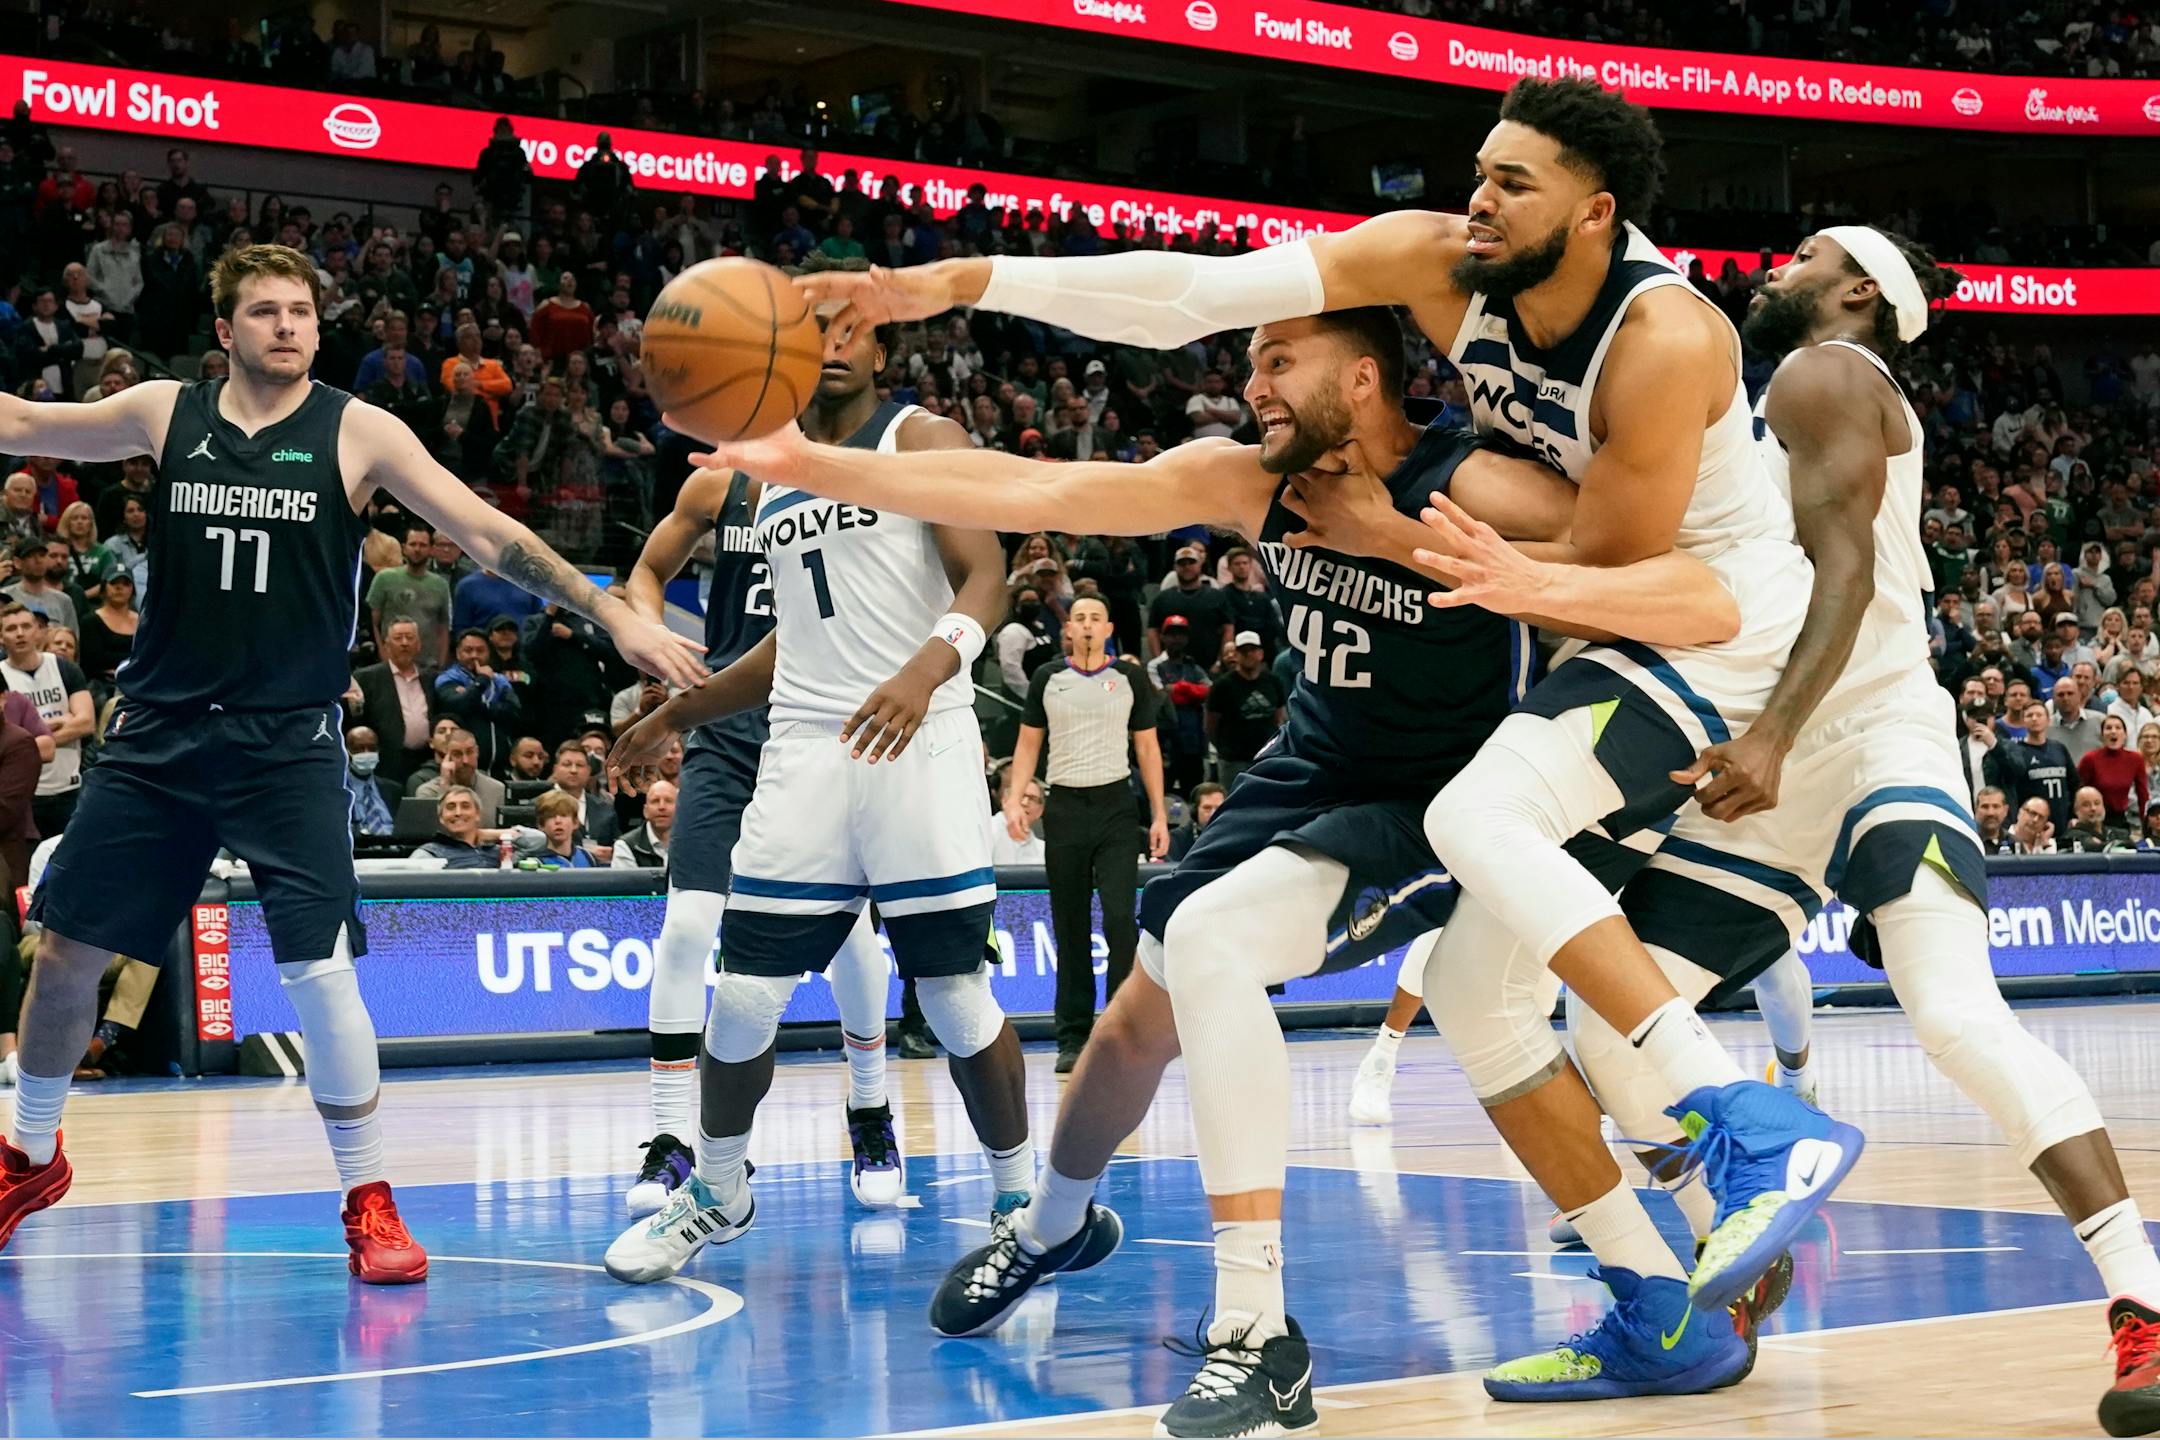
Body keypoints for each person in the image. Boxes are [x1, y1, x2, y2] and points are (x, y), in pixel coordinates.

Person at [690, 302, 1756, 1431]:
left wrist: (1427, 551)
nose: (1251, 383)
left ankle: (1256, 1326)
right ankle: (1056, 1223)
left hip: (1431, 799)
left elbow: (1687, 585)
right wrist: (808, 459)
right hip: (1305, 772)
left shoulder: (1477, 484)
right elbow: (1043, 492)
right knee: (1132, 1028)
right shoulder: (1259, 482)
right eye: (1249, 361)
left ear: (1362, 379)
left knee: (1223, 948)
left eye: (1277, 360)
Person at [1503, 225, 2160, 1435]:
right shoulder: (1767, 399)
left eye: (1800, 255)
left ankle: (2145, 1304)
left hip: (1869, 729)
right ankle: (1738, 1258)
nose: (1770, 269)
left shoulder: (1826, 375)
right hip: (1788, 740)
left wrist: (1768, 736)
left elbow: (1847, 575)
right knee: (1607, 1026)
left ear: (1857, 289)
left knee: (1956, 1016)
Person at [0, 243, 701, 1283]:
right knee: (64, 956)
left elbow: (484, 530)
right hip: (157, 736)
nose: (287, 326)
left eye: (302, 312)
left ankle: (368, 1197)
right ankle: (28, 1151)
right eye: (266, 311)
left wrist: (605, 610)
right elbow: (20, 422)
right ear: (225, 331)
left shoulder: (357, 429)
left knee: (322, 976)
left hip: (284, 746)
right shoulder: (163, 412)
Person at [599, 258, 1032, 1286]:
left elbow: (989, 575)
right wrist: (675, 711)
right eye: (812, 325)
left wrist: (928, 672)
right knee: (742, 994)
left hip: (917, 741)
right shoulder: (770, 468)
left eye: (848, 326)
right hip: (805, 754)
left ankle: (1021, 1198)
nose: (831, 337)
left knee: (957, 994)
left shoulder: (920, 438)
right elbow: (788, 641)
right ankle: (719, 1189)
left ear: (880, 347)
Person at [615, 344, 900, 1216]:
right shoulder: (719, 484)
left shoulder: (852, 479)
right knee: (686, 930)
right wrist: (654, 635)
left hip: (821, 727)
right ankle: (669, 1139)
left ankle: (869, 1106)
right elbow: (649, 569)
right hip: (727, 729)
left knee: (848, 943)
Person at [1012, 595, 1167, 1073]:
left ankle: (1117, 1032)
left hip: (1116, 807)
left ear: (1109, 627)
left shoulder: (1130, 678)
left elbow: (1147, 746)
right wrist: (1015, 797)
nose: (1086, 625)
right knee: (1071, 925)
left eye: (1095, 618)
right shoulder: (1047, 679)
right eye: (1078, 618)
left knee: (1121, 921)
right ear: (1068, 630)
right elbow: (1027, 743)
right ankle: (1073, 1037)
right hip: (1065, 808)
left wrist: (1159, 815)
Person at [0, 605, 91, 838]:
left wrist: (37, 737)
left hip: (69, 788)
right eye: (11, 628)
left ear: (39, 632)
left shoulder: (64, 668)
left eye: (26, 626)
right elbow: (8, 742)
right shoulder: (1, 677)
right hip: (24, 795)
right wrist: (61, 723)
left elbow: (86, 723)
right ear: (1, 637)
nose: (20, 633)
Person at [1206, 631, 1287, 788]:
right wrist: (1224, 750)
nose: (1248, 654)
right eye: (1244, 651)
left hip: (1267, 757)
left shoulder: (1273, 682)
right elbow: (1210, 724)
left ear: (1261, 653)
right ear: (1236, 655)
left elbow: (1279, 717)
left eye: (1252, 650)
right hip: (1234, 760)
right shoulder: (1222, 686)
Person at [1988, 698, 2078, 834]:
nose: (2034, 719)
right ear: (2023, 721)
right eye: (2029, 715)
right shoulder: (2016, 751)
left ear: (2048, 720)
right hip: (2031, 826)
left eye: (2039, 715)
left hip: (2062, 823)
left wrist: (2074, 816)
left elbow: (2074, 784)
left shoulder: (2059, 748)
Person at [368, 522, 452, 665]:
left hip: (428, 665)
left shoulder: (441, 585)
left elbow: (443, 629)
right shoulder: (384, 578)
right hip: (391, 663)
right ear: (404, 548)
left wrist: (441, 665)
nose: (417, 549)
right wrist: (383, 657)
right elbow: (373, 623)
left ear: (431, 549)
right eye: (412, 544)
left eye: (423, 545)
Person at [414, 728, 506, 826]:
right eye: (457, 754)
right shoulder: (427, 792)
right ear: (446, 756)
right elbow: (431, 831)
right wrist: (445, 785)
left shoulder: (497, 790)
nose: (465, 760)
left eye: (470, 752)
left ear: (477, 752)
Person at [408, 785, 506, 869]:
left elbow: (521, 838)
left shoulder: (499, 852)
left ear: (478, 814)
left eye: (465, 806)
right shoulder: (429, 854)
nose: (458, 813)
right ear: (441, 817)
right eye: (451, 807)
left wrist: (492, 834)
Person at [2079, 715, 2150, 826]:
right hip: (2093, 819)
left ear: (2125, 735)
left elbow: (2143, 795)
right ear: (2102, 735)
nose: (2113, 731)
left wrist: (2146, 825)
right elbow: (2078, 790)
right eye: (2108, 728)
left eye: (2118, 728)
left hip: (2120, 818)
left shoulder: (2135, 759)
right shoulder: (2090, 759)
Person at [341, 725, 400, 836]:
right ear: (347, 751)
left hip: (393, 848)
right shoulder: (338, 790)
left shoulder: (394, 790)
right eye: (359, 748)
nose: (366, 753)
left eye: (372, 748)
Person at [612, 779, 674, 868]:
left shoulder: (693, 843)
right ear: (645, 811)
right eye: (655, 801)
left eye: (668, 801)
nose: (662, 807)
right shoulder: (625, 846)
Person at [990, 775, 1046, 864]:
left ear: (1040, 811)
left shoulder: (1044, 851)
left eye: (1032, 799)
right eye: (1021, 796)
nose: (1025, 803)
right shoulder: (985, 832)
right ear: (1004, 801)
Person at [1167, 781, 1224, 862]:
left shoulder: (1235, 836)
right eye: (1207, 808)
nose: (1213, 813)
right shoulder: (1177, 838)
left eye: (1218, 808)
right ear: (1195, 810)